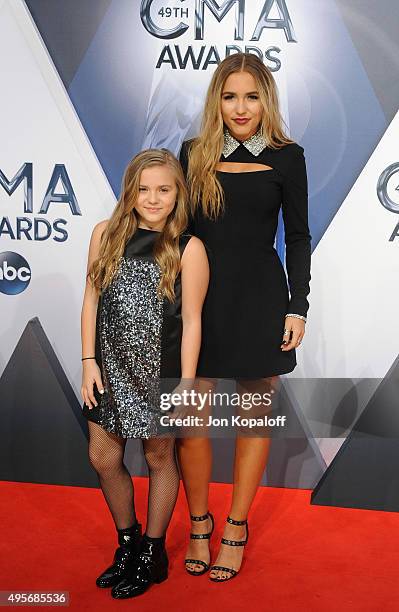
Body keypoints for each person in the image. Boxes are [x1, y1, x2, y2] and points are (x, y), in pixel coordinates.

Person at [178, 52, 311, 582]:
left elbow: (298, 237)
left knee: (254, 420)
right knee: (192, 423)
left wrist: (296, 305)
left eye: (251, 96)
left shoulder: (288, 156)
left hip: (261, 300)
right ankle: (198, 524)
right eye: (230, 96)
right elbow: (179, 235)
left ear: (266, 100)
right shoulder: (191, 154)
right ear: (217, 99)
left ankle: (236, 525)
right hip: (198, 305)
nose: (240, 107)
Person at [80, 149, 209, 598]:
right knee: (103, 457)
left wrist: (187, 386)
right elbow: (91, 302)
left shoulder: (188, 248)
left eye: (164, 189)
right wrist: (87, 362)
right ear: (130, 190)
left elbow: (192, 319)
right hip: (109, 367)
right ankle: (129, 541)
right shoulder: (105, 235)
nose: (153, 199)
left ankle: (153, 552)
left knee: (159, 458)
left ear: (178, 194)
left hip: (163, 371)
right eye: (144, 189)